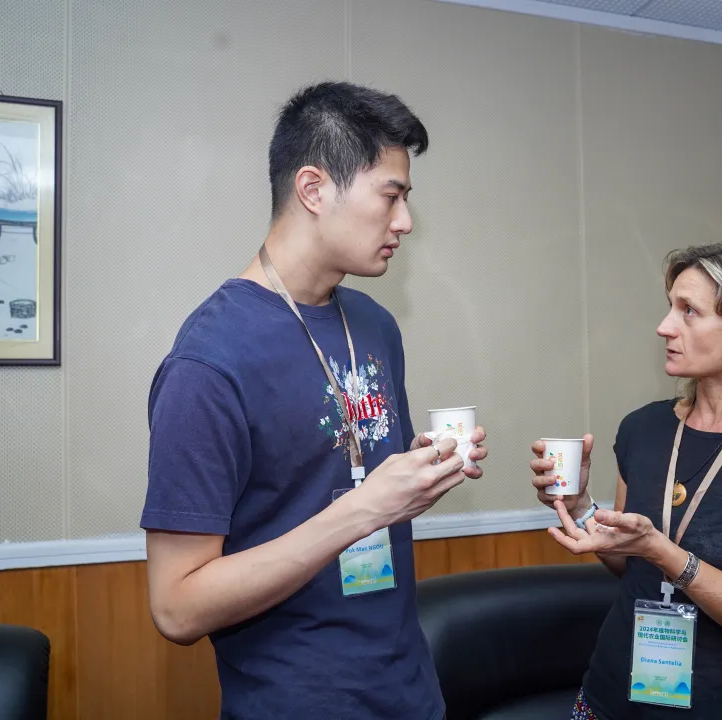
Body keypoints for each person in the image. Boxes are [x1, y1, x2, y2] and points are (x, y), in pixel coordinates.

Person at [140, 81, 487, 720]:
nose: (405, 221)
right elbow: (176, 608)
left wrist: (415, 474)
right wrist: (363, 508)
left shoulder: (375, 326)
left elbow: (345, 474)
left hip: (410, 692)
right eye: (391, 196)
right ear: (313, 189)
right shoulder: (208, 363)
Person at [529, 239, 722, 719]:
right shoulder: (644, 429)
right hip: (605, 701)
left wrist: (664, 553)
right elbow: (629, 560)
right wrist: (582, 507)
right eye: (670, 307)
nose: (664, 326)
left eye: (689, 311)